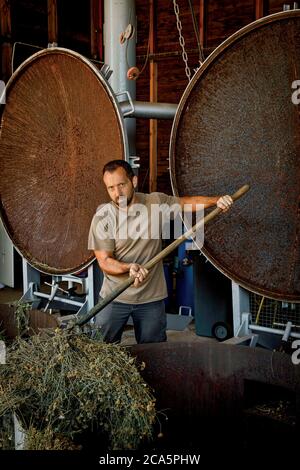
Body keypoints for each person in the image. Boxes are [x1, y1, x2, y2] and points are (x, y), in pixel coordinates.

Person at [88, 160, 233, 344]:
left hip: (151, 298)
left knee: (154, 354)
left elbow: (185, 203)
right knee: (100, 351)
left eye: (121, 185)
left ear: (133, 181)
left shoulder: (154, 203)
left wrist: (216, 201)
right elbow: (105, 261)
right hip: (115, 296)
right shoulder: (103, 218)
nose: (117, 193)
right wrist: (129, 268)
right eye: (111, 188)